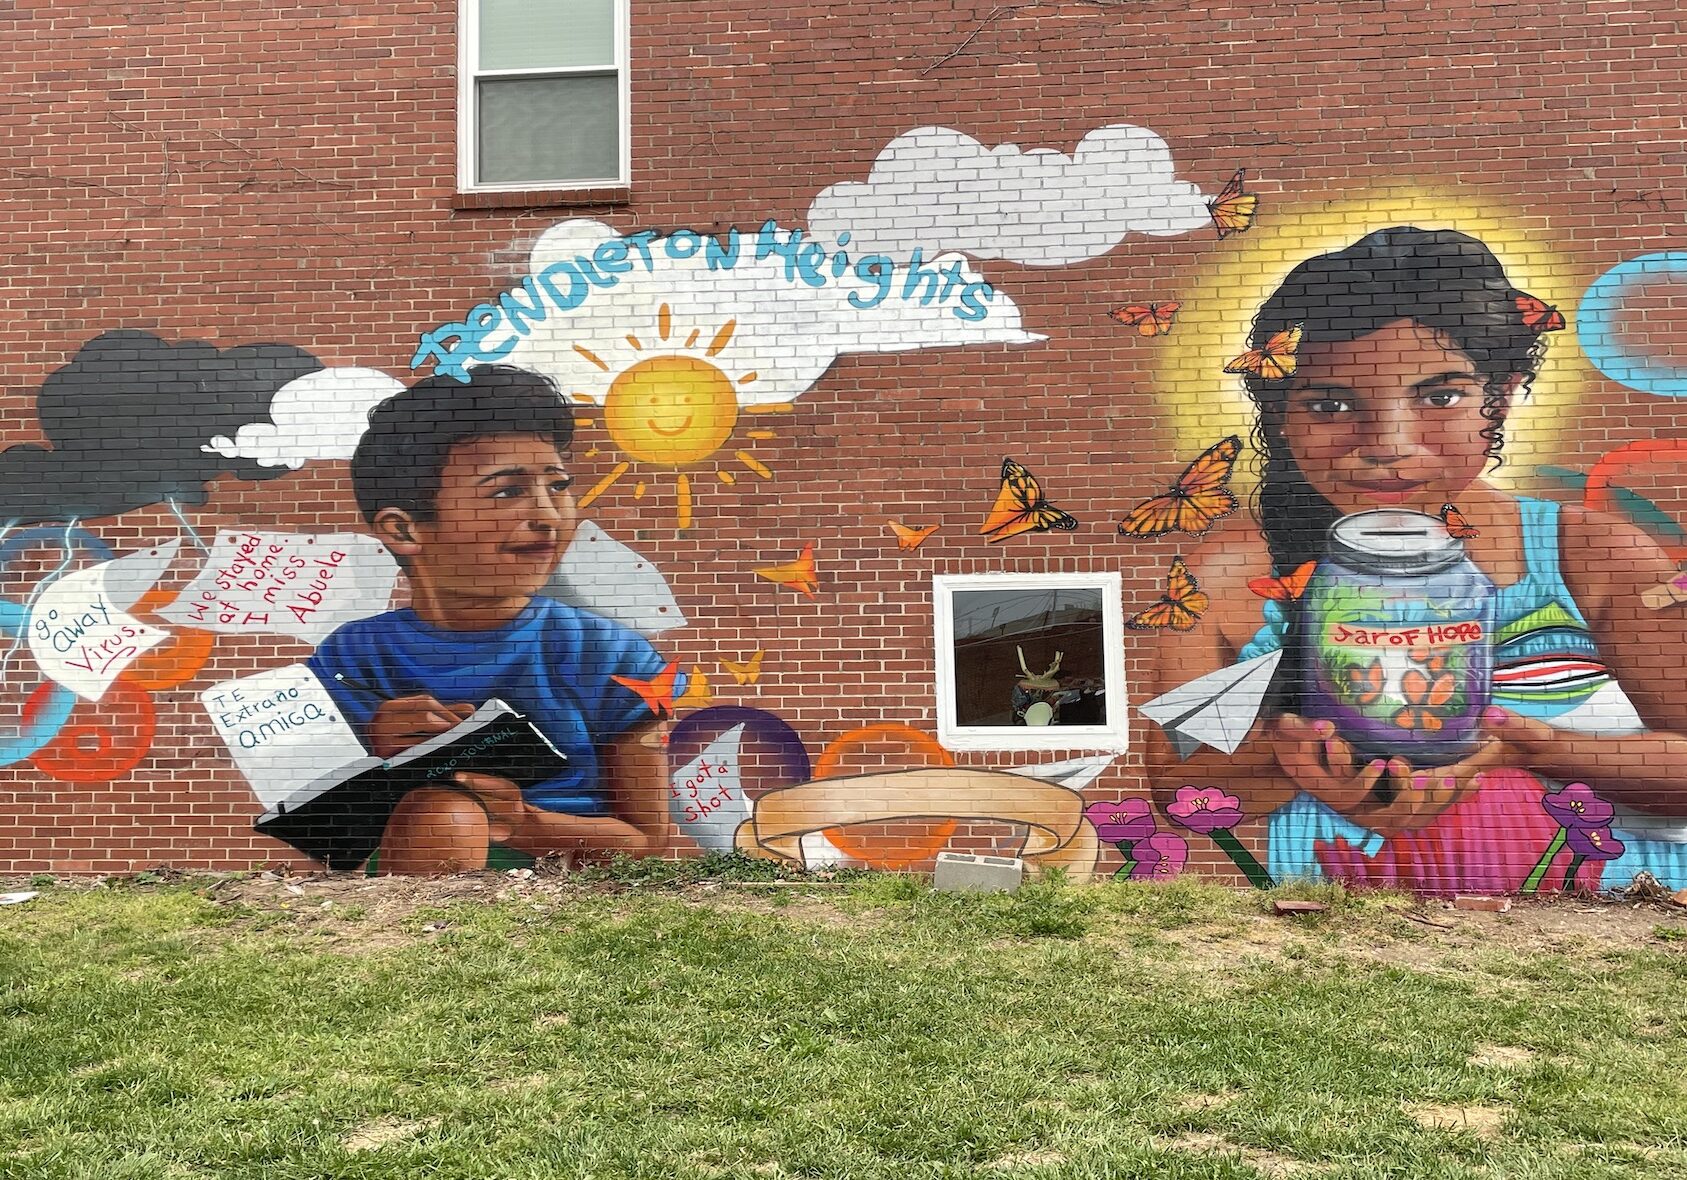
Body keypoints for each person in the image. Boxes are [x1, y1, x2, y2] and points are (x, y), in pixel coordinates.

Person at [1147, 226, 1687, 892]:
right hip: (1356, 952)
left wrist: (1535, 750)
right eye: (1330, 404)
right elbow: (1177, 790)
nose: (1386, 445)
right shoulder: (1227, 579)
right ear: (1279, 416)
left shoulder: (1589, 554)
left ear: (1502, 395)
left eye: (1440, 397)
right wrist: (1290, 763)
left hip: (1596, 944)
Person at [308, 365, 680, 872]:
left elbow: (645, 841)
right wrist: (370, 756)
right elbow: (316, 831)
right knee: (443, 810)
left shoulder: (614, 656)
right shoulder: (351, 658)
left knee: (452, 812)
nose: (549, 514)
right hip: (398, 895)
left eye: (558, 485)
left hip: (570, 896)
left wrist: (521, 821)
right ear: (404, 530)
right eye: (508, 491)